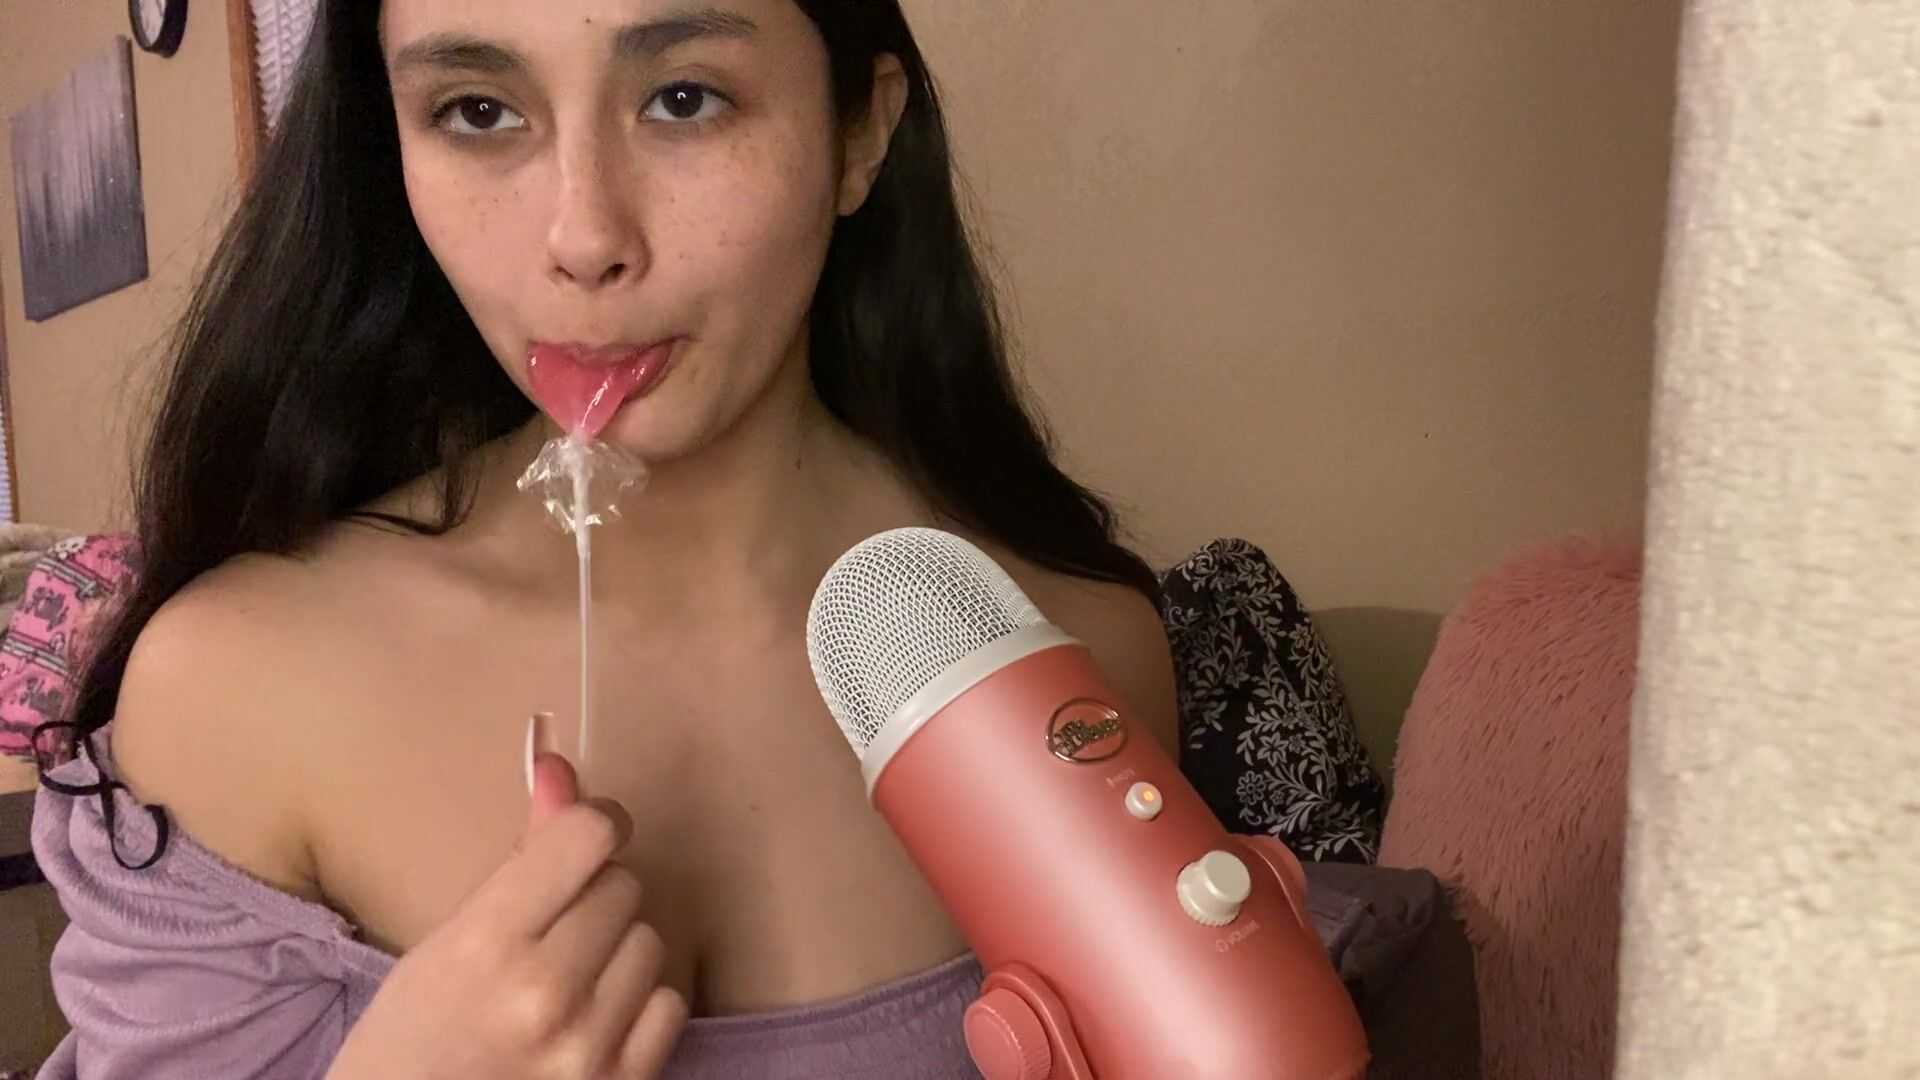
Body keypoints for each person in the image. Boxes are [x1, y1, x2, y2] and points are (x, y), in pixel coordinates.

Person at [30, 1, 1179, 1077]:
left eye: (684, 98)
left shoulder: (1077, 665)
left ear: (860, 133)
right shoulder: (235, 690)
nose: (583, 239)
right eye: (478, 111)